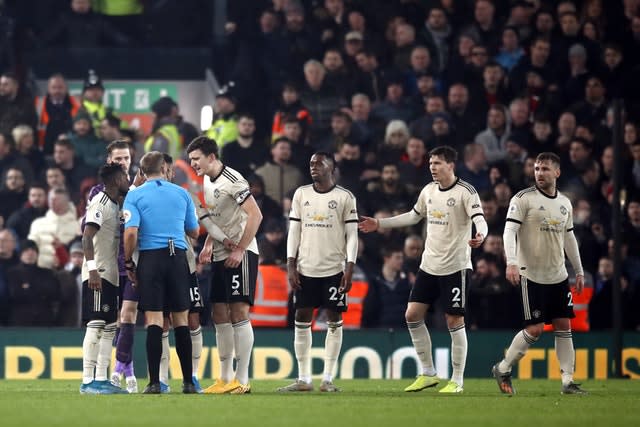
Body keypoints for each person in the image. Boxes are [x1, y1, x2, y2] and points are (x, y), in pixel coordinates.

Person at [359, 145, 487, 394]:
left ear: (451, 165)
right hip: (429, 266)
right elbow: (413, 216)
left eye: (437, 163)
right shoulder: (428, 191)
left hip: (456, 266)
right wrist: (379, 223)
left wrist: (481, 233)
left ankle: (457, 380)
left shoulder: (466, 192)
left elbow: (479, 218)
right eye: (430, 164)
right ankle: (428, 373)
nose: (432, 168)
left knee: (454, 319)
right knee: (412, 315)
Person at [491, 152, 587, 395]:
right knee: (534, 329)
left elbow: (569, 237)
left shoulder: (565, 203)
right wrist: (511, 262)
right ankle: (503, 368)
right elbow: (508, 232)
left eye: (545, 168)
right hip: (530, 275)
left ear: (557, 172)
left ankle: (567, 382)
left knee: (563, 326)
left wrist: (578, 270)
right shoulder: (522, 199)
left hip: (558, 276)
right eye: (536, 168)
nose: (539, 173)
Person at [187, 136, 263, 395]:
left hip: (241, 253)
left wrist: (242, 249)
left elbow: (256, 215)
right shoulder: (208, 180)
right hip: (220, 252)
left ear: (211, 157)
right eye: (191, 160)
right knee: (219, 313)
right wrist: (209, 243)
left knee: (239, 312)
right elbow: (218, 217)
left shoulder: (234, 180)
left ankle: (242, 379)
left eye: (196, 159)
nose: (193, 164)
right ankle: (224, 377)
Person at [277, 151, 358, 393]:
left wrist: (350, 267)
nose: (313, 167)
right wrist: (291, 264)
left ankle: (328, 379)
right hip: (305, 268)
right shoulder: (301, 194)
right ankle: (304, 379)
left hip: (334, 269)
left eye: (319, 163)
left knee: (334, 320)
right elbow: (294, 231)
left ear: (331, 167)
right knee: (301, 318)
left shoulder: (345, 197)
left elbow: (352, 235)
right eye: (311, 163)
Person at [123, 151, 199, 394]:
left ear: (142, 172)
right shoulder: (182, 193)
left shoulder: (134, 196)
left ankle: (155, 383)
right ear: (164, 168)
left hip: (151, 259)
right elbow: (195, 231)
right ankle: (188, 382)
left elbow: (131, 232)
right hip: (177, 257)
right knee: (181, 320)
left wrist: (128, 262)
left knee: (154, 320)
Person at [84, 140, 139, 393]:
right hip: (101, 271)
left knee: (109, 327)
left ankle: (102, 377)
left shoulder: (122, 199)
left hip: (117, 271)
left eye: (126, 158)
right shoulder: (100, 199)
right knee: (96, 324)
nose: (124, 165)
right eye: (118, 160)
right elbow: (86, 235)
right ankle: (88, 380)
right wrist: (92, 268)